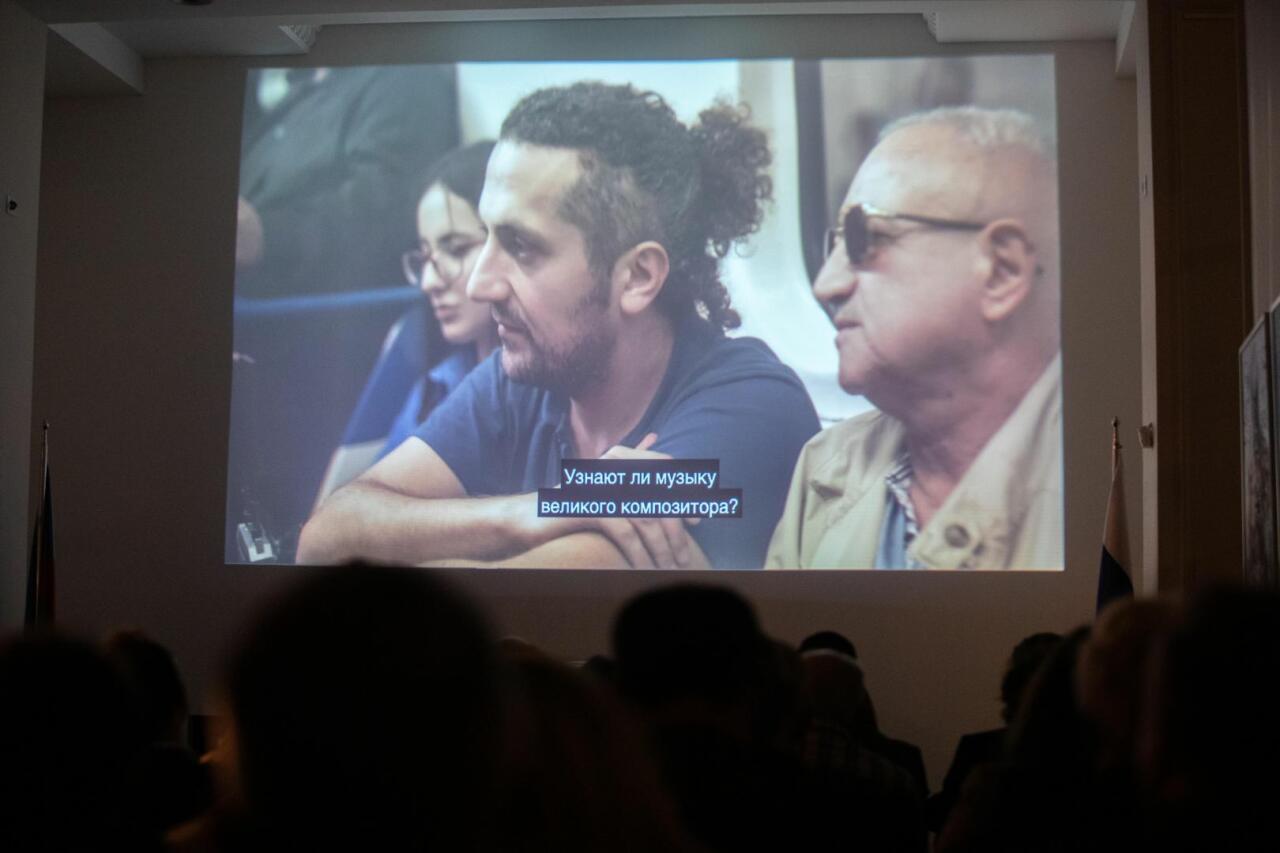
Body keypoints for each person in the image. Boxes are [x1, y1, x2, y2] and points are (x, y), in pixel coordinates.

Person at [298, 82, 820, 570]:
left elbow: (548, 590)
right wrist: (526, 512)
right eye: (486, 237)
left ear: (637, 276)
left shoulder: (751, 407)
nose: (481, 284)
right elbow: (325, 537)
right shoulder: (522, 380)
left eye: (521, 246)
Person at [766, 106, 1062, 570]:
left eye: (865, 239)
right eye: (834, 245)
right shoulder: (826, 466)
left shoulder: (1092, 479)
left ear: (1001, 272)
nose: (826, 285)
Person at [312, 142, 499, 502]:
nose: (429, 282)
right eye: (425, 257)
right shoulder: (436, 385)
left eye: (456, 249)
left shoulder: (560, 390)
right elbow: (358, 510)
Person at [235, 65, 458, 298]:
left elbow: (383, 217)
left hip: (315, 304)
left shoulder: (404, 81)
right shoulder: (299, 92)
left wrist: (264, 236)